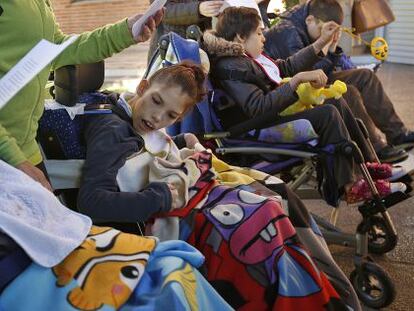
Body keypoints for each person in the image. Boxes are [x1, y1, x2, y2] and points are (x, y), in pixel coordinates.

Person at [77, 61, 360, 309]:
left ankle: (321, 288)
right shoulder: (112, 131)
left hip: (188, 193)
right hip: (169, 208)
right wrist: (160, 197)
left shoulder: (132, 117)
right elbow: (92, 201)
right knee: (266, 214)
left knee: (273, 199)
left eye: (171, 116)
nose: (157, 117)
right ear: (142, 88)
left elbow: (143, 152)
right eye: (156, 101)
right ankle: (315, 295)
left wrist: (179, 143)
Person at [203, 6, 406, 204]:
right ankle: (349, 185)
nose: (264, 38)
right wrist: (296, 81)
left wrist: (320, 43)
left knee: (335, 100)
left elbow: (285, 67)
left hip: (267, 120)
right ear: (240, 37)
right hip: (256, 131)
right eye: (258, 33)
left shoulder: (244, 57)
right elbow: (257, 107)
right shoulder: (230, 65)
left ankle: (368, 168)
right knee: (327, 114)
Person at [0, 0, 163, 192]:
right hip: (7, 154)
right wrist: (16, 161)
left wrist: (126, 31)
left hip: (25, 147)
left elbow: (58, 49)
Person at [264, 0, 413, 163]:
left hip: (311, 82)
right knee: (347, 92)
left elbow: (319, 73)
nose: (327, 34)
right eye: (325, 30)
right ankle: (375, 149)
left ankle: (398, 134)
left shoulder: (308, 23)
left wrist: (332, 46)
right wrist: (326, 45)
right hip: (289, 91)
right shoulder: (288, 33)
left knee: (365, 76)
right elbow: (304, 73)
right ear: (310, 20)